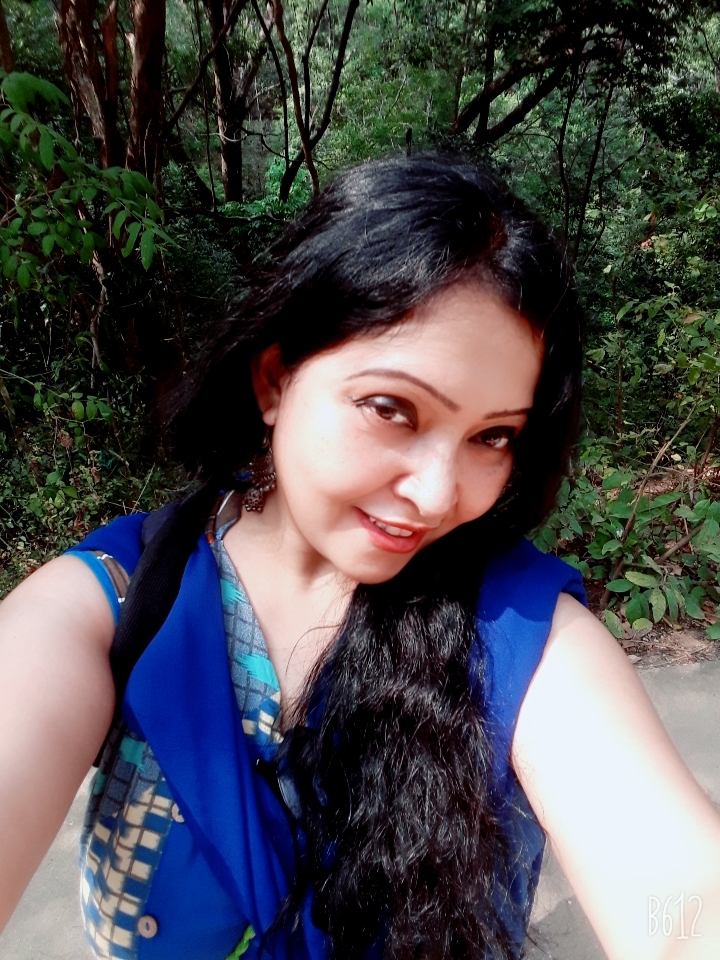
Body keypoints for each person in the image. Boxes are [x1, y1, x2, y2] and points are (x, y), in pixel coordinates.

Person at [1, 154, 719, 960]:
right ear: (275, 380)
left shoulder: (519, 633)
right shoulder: (119, 601)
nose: (438, 494)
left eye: (492, 436)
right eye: (391, 409)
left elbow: (684, 899)